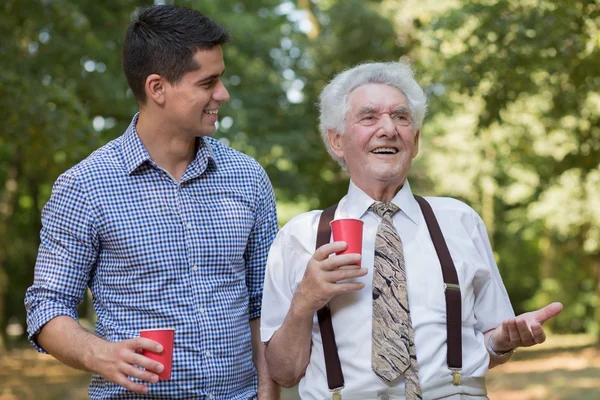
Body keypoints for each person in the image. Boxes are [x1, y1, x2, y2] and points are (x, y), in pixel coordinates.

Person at [260, 61, 563, 400]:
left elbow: (491, 342)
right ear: (336, 141)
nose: (388, 129)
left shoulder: (460, 220)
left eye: (401, 117)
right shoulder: (299, 237)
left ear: (415, 141)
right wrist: (305, 300)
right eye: (369, 117)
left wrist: (502, 342)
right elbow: (284, 374)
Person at [25, 5, 279, 399]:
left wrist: (268, 390)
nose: (222, 94)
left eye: (221, 79)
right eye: (207, 82)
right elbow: (47, 306)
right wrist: (100, 354)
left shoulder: (248, 178)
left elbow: (262, 302)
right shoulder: (84, 186)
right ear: (157, 88)